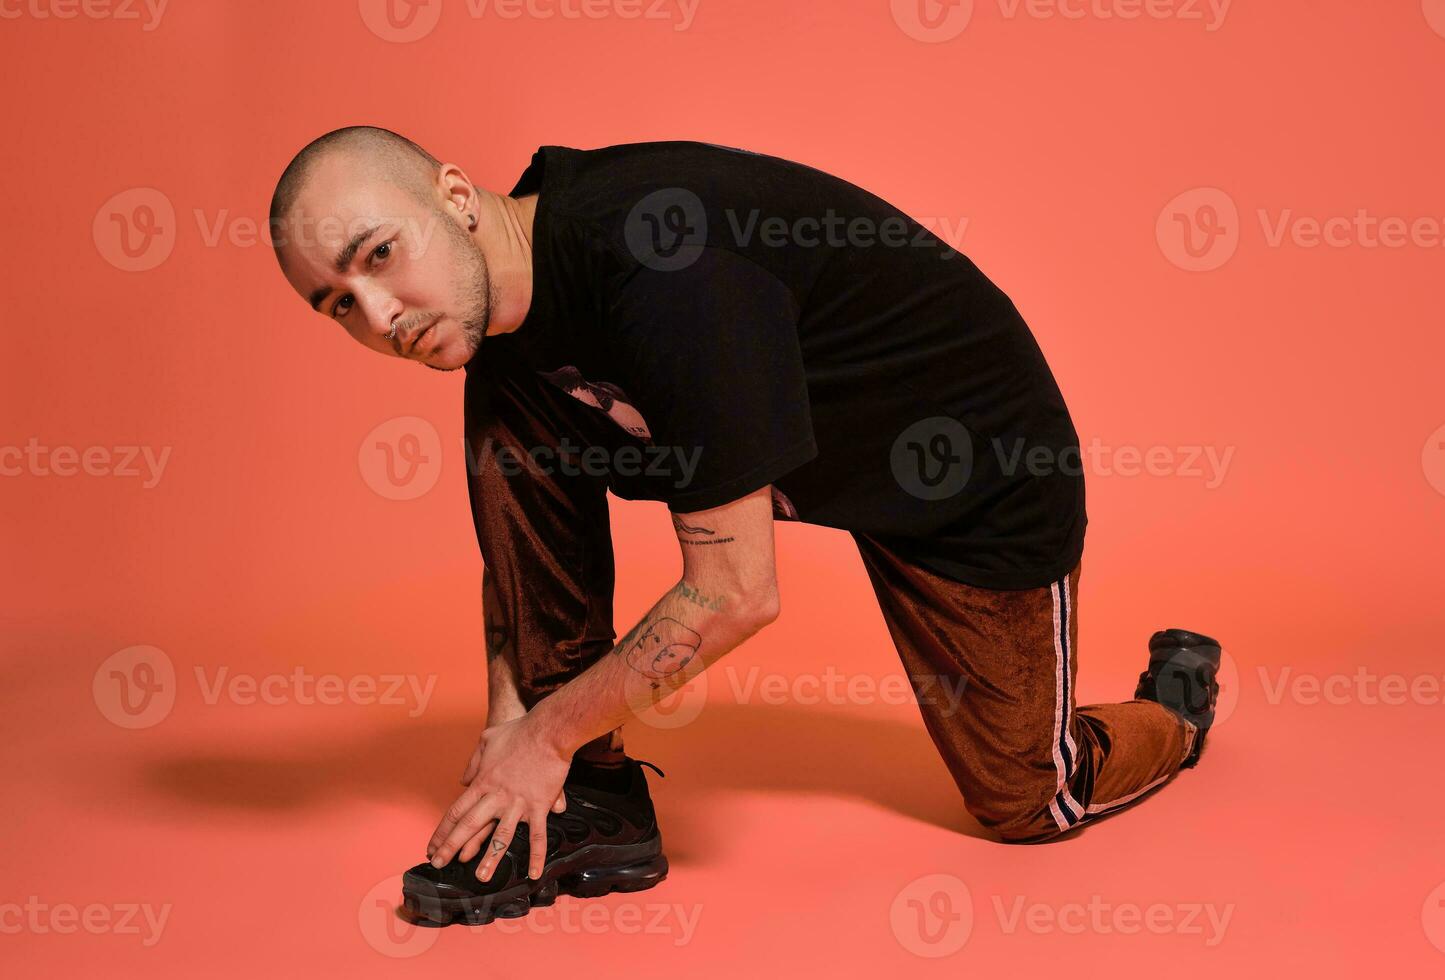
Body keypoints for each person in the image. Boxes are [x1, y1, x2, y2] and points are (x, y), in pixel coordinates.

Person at [268, 127, 1224, 926]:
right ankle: (594, 808)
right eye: (340, 305)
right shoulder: (488, 321)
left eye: (380, 256)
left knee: (1028, 799)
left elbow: (735, 594)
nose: (383, 316)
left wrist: (543, 738)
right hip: (787, 456)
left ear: (454, 196)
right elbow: (515, 552)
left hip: (961, 460)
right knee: (510, 431)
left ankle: (1175, 708)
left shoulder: (658, 258)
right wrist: (508, 731)